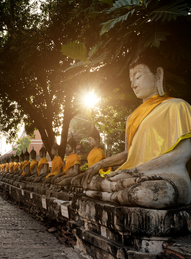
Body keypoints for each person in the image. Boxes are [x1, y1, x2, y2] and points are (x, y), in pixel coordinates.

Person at [79, 56, 191, 208]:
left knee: (143, 193)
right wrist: (99, 165)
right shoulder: (132, 118)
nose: (133, 84)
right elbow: (128, 154)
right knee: (92, 182)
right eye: (130, 78)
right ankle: (113, 193)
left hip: (166, 176)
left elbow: (182, 154)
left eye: (137, 76)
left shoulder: (177, 106)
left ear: (158, 75)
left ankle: (110, 193)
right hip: (132, 176)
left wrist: (137, 171)